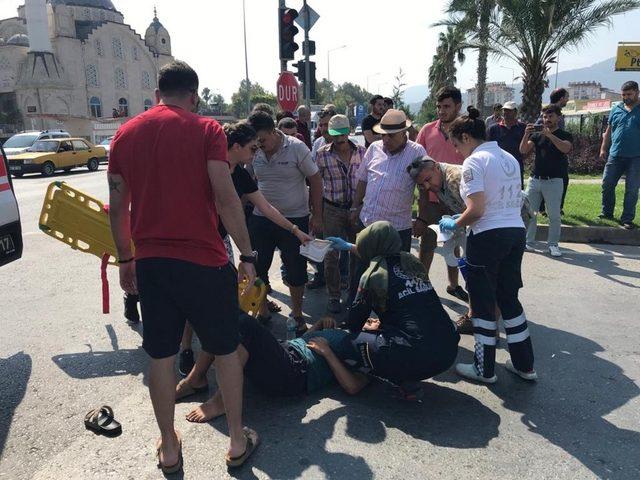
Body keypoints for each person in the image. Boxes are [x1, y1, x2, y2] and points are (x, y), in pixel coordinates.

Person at [107, 61, 258, 471]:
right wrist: (246, 255)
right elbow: (226, 198)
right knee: (225, 351)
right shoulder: (206, 130)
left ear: (158, 93)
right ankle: (236, 441)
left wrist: (125, 258)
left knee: (160, 356)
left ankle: (169, 447)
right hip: (205, 262)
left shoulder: (125, 134)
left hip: (153, 263)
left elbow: (118, 206)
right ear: (194, 95)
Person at [440, 107, 536, 384]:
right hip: (515, 233)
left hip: (487, 237)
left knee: (482, 304)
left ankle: (484, 369)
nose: (457, 153)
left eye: (457, 145)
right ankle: (525, 365)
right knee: (509, 300)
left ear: (467, 137)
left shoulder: (474, 162)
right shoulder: (509, 157)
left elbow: (478, 209)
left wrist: (455, 223)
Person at [407, 156, 534, 334]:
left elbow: (479, 209)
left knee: (492, 273)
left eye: (428, 180)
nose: (427, 187)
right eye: (422, 185)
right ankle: (483, 319)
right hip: (494, 218)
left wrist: (459, 222)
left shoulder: (454, 178)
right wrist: (460, 218)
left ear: (436, 167)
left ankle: (488, 326)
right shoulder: (440, 181)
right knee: (483, 272)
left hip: (511, 216)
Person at [326, 221, 459, 390]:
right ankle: (407, 371)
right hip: (447, 351)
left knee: (343, 343)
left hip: (415, 355)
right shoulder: (412, 262)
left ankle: (397, 376)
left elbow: (354, 323)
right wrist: (348, 246)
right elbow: (379, 252)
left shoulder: (373, 276)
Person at [178, 314, 369, 422]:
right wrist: (320, 324)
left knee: (243, 324)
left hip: (295, 372)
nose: (370, 321)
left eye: (373, 322)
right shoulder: (346, 334)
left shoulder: (365, 353)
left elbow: (353, 386)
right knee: (228, 320)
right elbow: (304, 341)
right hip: (287, 353)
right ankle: (194, 380)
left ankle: (221, 401)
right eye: (369, 319)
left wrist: (327, 352)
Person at [246, 111, 323, 335]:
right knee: (258, 267)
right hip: (261, 219)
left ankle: (297, 314)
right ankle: (263, 312)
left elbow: (316, 180)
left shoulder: (297, 147)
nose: (259, 145)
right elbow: (248, 181)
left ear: (273, 131)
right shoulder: (254, 151)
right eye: (255, 141)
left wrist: (316, 215)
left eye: (262, 139)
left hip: (295, 219)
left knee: (296, 270)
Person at [415, 86, 468, 302]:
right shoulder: (427, 131)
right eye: (439, 106)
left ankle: (453, 285)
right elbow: (417, 165)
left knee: (454, 245)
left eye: (446, 106)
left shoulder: (466, 130)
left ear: (458, 106)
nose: (441, 111)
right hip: (430, 200)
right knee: (426, 244)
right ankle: (421, 287)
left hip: (458, 202)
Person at [353, 109, 426, 253]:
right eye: (383, 135)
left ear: (403, 132)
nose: (386, 139)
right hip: (367, 223)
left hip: (396, 230)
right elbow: (363, 180)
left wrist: (421, 218)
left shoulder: (417, 152)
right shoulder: (374, 148)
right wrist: (355, 207)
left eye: (391, 136)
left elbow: (424, 188)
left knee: (393, 273)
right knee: (362, 272)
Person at [316, 114, 366, 314]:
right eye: (335, 135)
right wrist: (316, 214)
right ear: (329, 133)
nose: (340, 139)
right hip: (332, 209)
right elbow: (316, 186)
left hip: (357, 208)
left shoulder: (362, 152)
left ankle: (355, 295)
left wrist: (361, 207)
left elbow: (368, 181)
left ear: (349, 131)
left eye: (343, 134)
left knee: (358, 252)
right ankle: (334, 296)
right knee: (331, 255)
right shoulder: (321, 154)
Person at [520, 104, 573, 257]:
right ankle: (528, 242)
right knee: (530, 213)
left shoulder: (564, 134)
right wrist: (526, 134)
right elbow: (523, 150)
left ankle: (553, 245)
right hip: (535, 179)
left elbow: (565, 148)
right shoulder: (537, 135)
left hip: (554, 180)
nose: (547, 119)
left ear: (558, 117)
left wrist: (550, 135)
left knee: (554, 215)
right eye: (544, 117)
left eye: (550, 116)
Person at [599, 80, 640, 230]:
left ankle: (627, 218)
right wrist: (603, 148)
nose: (626, 97)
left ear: (637, 92)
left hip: (636, 157)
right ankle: (607, 212)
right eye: (623, 94)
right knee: (607, 183)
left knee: (632, 189)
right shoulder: (616, 109)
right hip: (615, 154)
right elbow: (609, 131)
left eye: (629, 94)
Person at [487, 101, 527, 188]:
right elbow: (488, 148)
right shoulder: (493, 129)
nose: (506, 113)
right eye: (504, 110)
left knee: (517, 192)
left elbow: (528, 146)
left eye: (509, 110)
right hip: (498, 167)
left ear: (515, 112)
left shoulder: (523, 128)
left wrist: (524, 157)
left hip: (516, 166)